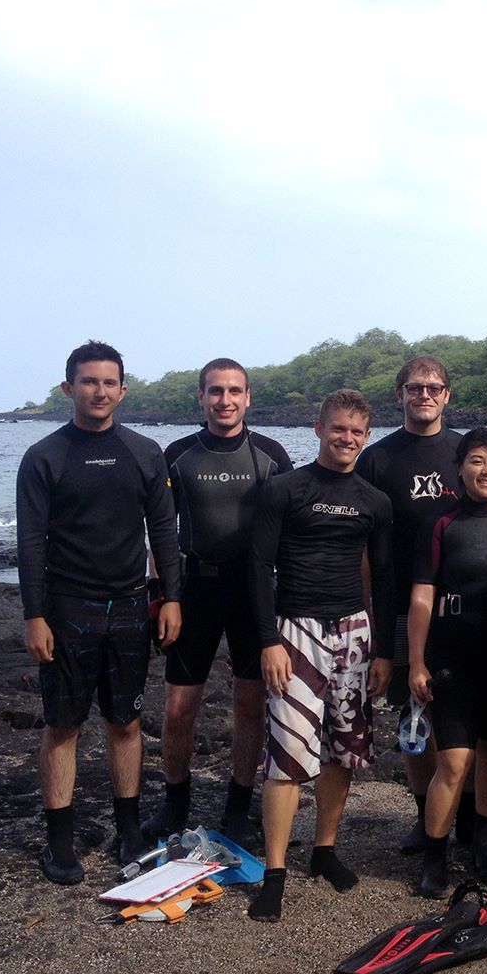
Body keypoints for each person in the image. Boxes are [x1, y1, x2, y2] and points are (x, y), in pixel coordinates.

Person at [16, 340, 183, 884]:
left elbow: (163, 531)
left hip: (132, 604)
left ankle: (129, 828)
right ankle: (60, 841)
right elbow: (31, 542)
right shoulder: (45, 456)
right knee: (62, 725)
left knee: (126, 721)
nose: (99, 391)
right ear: (68, 388)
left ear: (123, 390)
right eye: (89, 381)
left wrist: (172, 598)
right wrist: (34, 615)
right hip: (67, 609)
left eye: (109, 382)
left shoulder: (143, 452)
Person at [246, 389, 394, 922]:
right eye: (338, 429)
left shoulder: (374, 501)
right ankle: (275, 872)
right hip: (294, 630)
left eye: (356, 432)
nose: (347, 439)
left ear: (366, 436)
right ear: (318, 428)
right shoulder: (284, 490)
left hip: (354, 632)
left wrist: (384, 651)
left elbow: (385, 578)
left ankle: (325, 849)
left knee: (342, 748)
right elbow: (259, 567)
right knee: (286, 753)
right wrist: (268, 640)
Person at [142, 359, 293, 849]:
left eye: (234, 391)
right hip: (195, 590)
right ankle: (175, 800)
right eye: (215, 392)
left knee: (250, 705)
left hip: (253, 592)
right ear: (201, 397)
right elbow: (161, 531)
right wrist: (162, 595)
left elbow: (290, 532)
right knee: (179, 706)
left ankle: (237, 805)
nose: (224, 400)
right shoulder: (179, 454)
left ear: (248, 397)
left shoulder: (271, 455)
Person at [356, 355, 461, 854]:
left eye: (433, 388)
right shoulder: (377, 459)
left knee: (467, 713)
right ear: (398, 394)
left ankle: (472, 819)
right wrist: (369, 611)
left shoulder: (465, 452)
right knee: (412, 711)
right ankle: (425, 816)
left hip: (462, 603)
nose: (424, 395)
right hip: (399, 604)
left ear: (447, 396)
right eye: (415, 388)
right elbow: (365, 545)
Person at [408, 428, 487, 897]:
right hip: (450, 657)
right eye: (476, 461)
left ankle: (484, 843)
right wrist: (415, 661)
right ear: (459, 469)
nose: (486, 471)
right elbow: (421, 596)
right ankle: (436, 856)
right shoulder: (441, 523)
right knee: (452, 762)